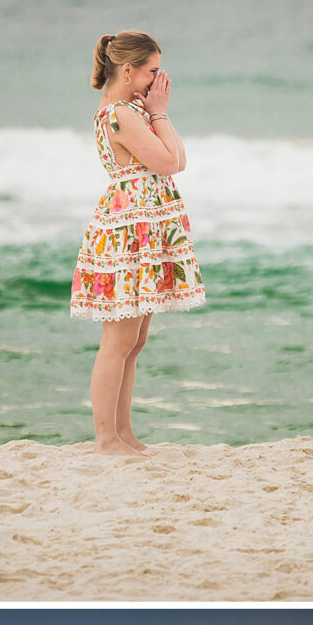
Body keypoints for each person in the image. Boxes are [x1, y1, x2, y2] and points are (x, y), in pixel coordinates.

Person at [70, 29, 205, 456]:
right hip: (129, 230)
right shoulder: (121, 114)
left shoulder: (134, 110)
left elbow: (178, 160)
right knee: (117, 341)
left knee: (135, 340)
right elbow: (167, 161)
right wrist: (160, 112)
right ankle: (106, 438)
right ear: (127, 70)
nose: (157, 80)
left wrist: (159, 113)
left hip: (143, 227)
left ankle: (124, 433)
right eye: (151, 71)